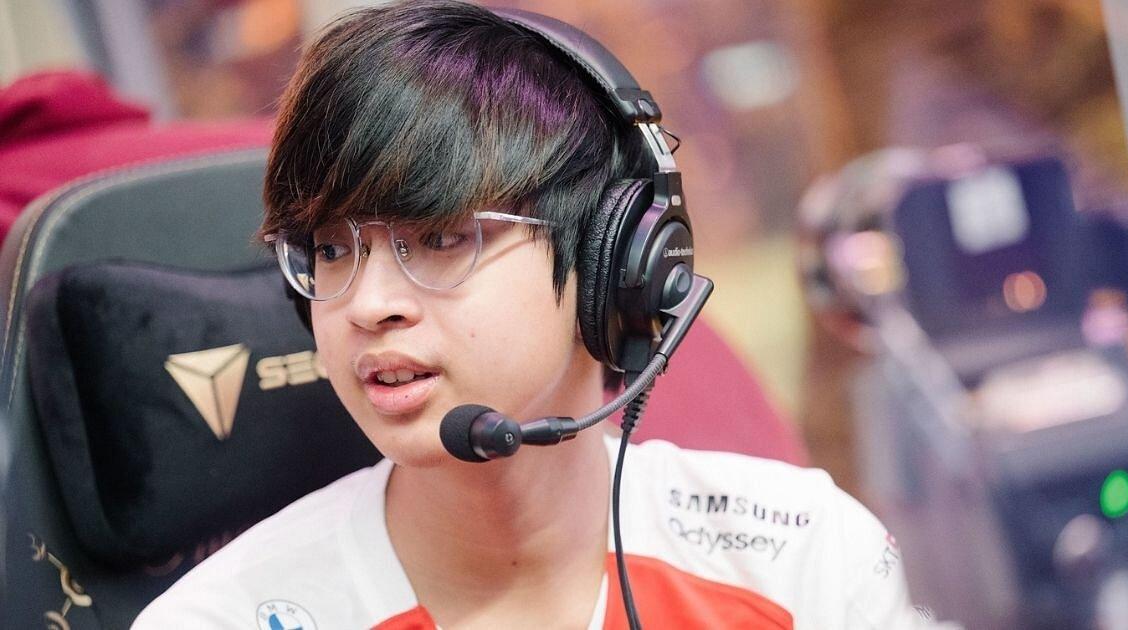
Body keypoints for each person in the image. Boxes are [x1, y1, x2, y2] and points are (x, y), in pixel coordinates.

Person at [135, 1, 947, 628]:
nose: (368, 306)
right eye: (330, 250)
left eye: (441, 238)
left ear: (614, 264)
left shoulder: (799, 559)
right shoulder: (219, 619)